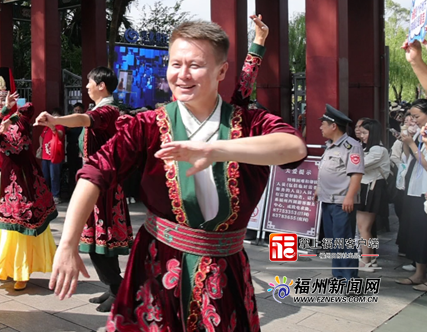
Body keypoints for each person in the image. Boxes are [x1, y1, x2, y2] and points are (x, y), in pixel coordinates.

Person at [49, 19, 306, 331]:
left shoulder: (249, 123)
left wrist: (217, 150)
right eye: (175, 64)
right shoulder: (146, 125)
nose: (182, 75)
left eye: (195, 65)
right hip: (156, 267)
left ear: (221, 72)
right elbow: (94, 172)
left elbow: (293, 147)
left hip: (226, 273)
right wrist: (67, 244)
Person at [35, 66, 125, 311]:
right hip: (95, 185)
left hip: (103, 187)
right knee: (96, 241)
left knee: (100, 241)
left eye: (89, 83)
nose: (86, 87)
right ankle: (113, 287)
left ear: (101, 85)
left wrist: (55, 119)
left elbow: (84, 120)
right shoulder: (100, 109)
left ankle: (118, 289)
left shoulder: (108, 111)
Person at [0, 66, 57, 291]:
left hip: (30, 179)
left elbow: (31, 107)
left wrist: (11, 109)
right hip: (8, 182)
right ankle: (7, 268)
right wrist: (3, 112)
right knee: (8, 228)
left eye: (2, 99)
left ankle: (23, 271)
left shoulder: (22, 120)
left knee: (29, 223)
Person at [316, 104, 364, 281]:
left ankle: (351, 278)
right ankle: (338, 276)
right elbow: (328, 172)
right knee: (333, 241)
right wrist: (318, 189)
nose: (321, 127)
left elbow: (356, 173)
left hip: (341, 201)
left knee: (344, 241)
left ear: (333, 126)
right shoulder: (329, 146)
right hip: (327, 200)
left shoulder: (351, 147)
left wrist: (350, 196)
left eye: (323, 124)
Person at [396, 99, 427, 291]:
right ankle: (419, 273)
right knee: (417, 233)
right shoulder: (420, 134)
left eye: (417, 116)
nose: (413, 120)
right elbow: (409, 159)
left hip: (425, 190)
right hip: (415, 189)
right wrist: (407, 142)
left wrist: (413, 145)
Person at [355, 119, 389, 272]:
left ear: (373, 133)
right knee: (368, 228)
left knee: (364, 227)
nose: (361, 136)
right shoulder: (370, 148)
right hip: (369, 187)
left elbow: (358, 164)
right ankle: (372, 257)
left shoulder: (377, 150)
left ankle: (365, 260)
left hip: (371, 188)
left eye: (364, 133)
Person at [39, 107, 65, 204]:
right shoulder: (46, 127)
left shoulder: (60, 126)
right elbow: (41, 136)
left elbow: (60, 135)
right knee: (45, 176)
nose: (54, 117)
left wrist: (53, 127)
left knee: (54, 176)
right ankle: (46, 195)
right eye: (53, 115)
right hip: (45, 156)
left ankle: (56, 195)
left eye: (56, 116)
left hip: (55, 156)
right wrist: (41, 146)